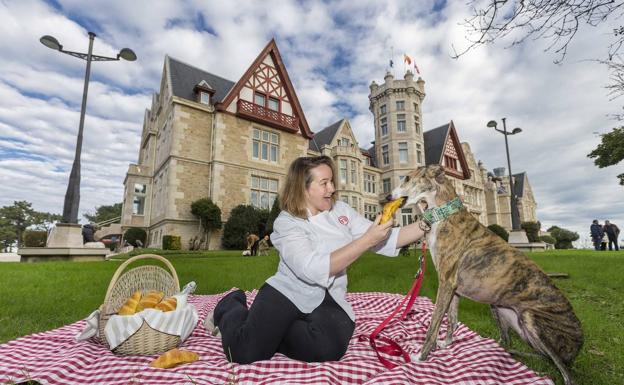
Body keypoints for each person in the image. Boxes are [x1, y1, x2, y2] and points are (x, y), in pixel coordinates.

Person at [208, 155, 426, 364]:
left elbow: (388, 239)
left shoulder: (341, 211)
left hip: (330, 297)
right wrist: (367, 240)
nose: (332, 188)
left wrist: (431, 220)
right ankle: (230, 305)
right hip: (288, 291)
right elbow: (311, 269)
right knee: (243, 352)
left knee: (326, 349)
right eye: (324, 183)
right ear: (303, 188)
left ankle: (270, 332)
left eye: (331, 181)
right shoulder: (286, 223)